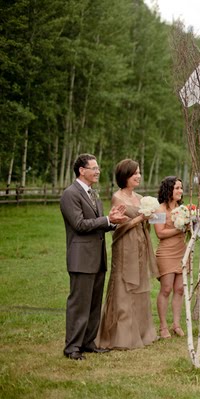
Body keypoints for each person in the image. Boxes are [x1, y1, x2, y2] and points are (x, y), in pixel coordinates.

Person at [60, 154, 128, 360]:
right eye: (94, 168)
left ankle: (88, 342)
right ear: (82, 170)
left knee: (93, 305)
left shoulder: (93, 194)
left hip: (97, 258)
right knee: (79, 304)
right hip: (81, 259)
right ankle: (72, 347)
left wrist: (112, 221)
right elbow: (80, 225)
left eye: (98, 168)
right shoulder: (70, 194)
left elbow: (97, 224)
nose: (98, 171)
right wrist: (106, 218)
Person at [96, 159, 159, 350]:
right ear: (125, 176)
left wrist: (152, 217)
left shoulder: (140, 198)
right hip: (124, 246)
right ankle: (120, 336)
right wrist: (140, 217)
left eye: (139, 172)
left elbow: (147, 221)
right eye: (134, 174)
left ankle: (141, 332)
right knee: (124, 286)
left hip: (140, 244)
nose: (138, 176)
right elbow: (117, 227)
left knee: (139, 285)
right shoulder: (118, 198)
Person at [154, 176, 187, 339]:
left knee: (180, 289)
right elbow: (159, 233)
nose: (180, 191)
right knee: (166, 288)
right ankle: (163, 327)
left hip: (182, 251)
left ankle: (176, 324)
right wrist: (179, 229)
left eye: (181, 188)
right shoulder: (158, 210)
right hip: (166, 253)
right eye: (177, 188)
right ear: (169, 190)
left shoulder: (184, 210)